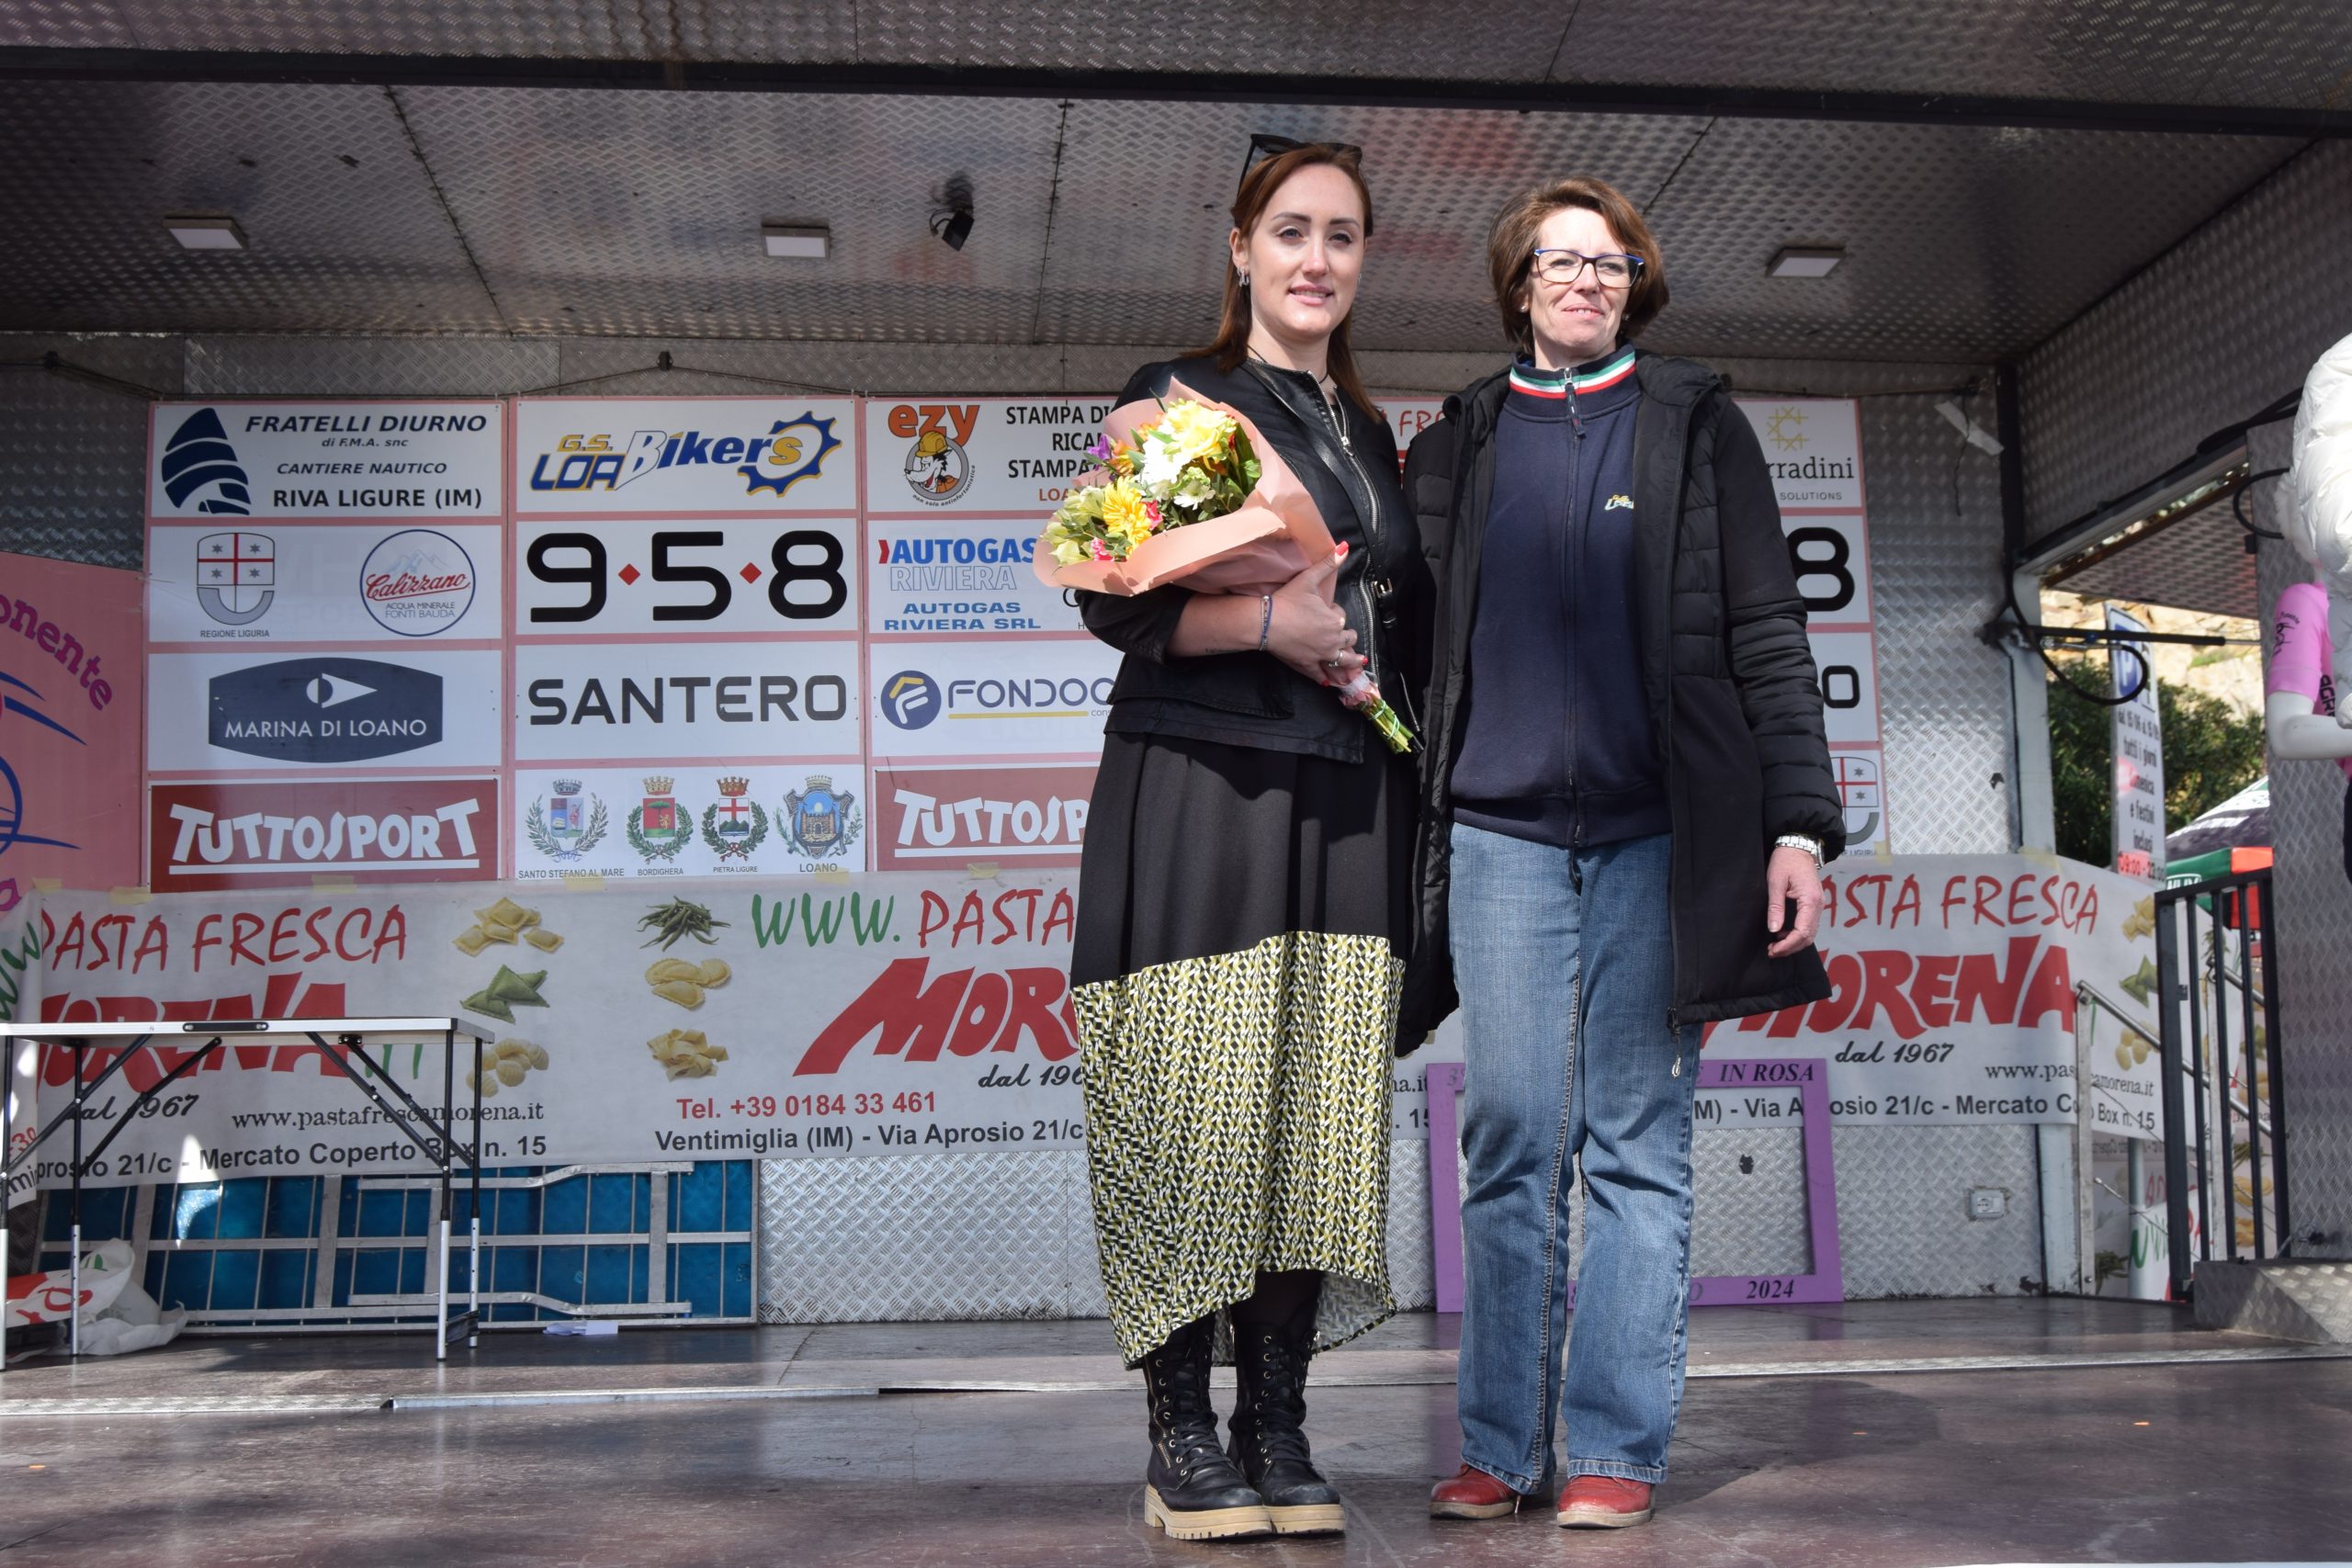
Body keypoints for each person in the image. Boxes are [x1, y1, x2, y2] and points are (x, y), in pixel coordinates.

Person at [1400, 175, 1843, 1529]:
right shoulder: (1460, 442)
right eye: (1561, 260)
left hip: (1663, 837)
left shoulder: (1699, 426)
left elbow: (1768, 631)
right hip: (1500, 837)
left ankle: (1613, 1449)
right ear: (1518, 285)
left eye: (1611, 263)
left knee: (1637, 1148)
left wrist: (1798, 825)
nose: (1587, 280)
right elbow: (1407, 648)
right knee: (1510, 1140)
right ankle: (1499, 1448)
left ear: (1635, 286)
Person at [1068, 139, 1426, 1543]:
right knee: (1193, 1106)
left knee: (1312, 1122)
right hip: (1204, 787)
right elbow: (1113, 597)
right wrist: (1269, 619)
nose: (1316, 259)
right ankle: (1180, 1436)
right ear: (1239, 249)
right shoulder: (1182, 394)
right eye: (1290, 231)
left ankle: (1277, 1424)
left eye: (1341, 234)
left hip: (1347, 801)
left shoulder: (1373, 432)